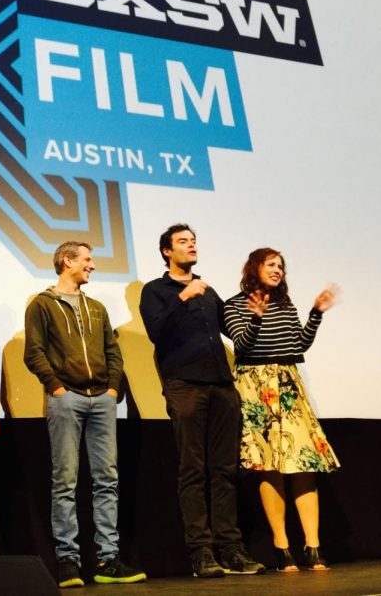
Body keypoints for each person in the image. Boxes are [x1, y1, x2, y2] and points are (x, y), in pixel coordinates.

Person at [139, 224, 264, 578]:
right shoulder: (156, 291)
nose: (191, 245)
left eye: (193, 241)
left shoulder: (208, 290)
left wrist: (253, 320)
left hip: (222, 385)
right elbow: (155, 332)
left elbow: (234, 333)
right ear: (167, 251)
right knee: (193, 470)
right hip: (184, 386)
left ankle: (231, 548)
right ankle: (201, 552)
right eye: (183, 241)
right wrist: (183, 297)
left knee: (224, 470)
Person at [24, 241, 146, 588]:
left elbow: (113, 352)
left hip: (102, 401)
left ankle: (108, 559)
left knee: (107, 479)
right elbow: (34, 353)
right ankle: (68, 561)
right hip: (67, 400)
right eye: (87, 259)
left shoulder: (96, 308)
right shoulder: (42, 305)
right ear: (67, 261)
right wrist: (57, 388)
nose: (92, 265)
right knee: (65, 481)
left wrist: (112, 390)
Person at [224, 248, 340, 572]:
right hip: (256, 387)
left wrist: (315, 313)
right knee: (270, 465)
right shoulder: (234, 305)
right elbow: (242, 346)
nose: (278, 270)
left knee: (304, 463)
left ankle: (313, 545)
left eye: (281, 267)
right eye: (271, 264)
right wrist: (257, 316)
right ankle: (281, 544)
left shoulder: (285, 304)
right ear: (254, 268)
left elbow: (298, 345)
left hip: (288, 383)